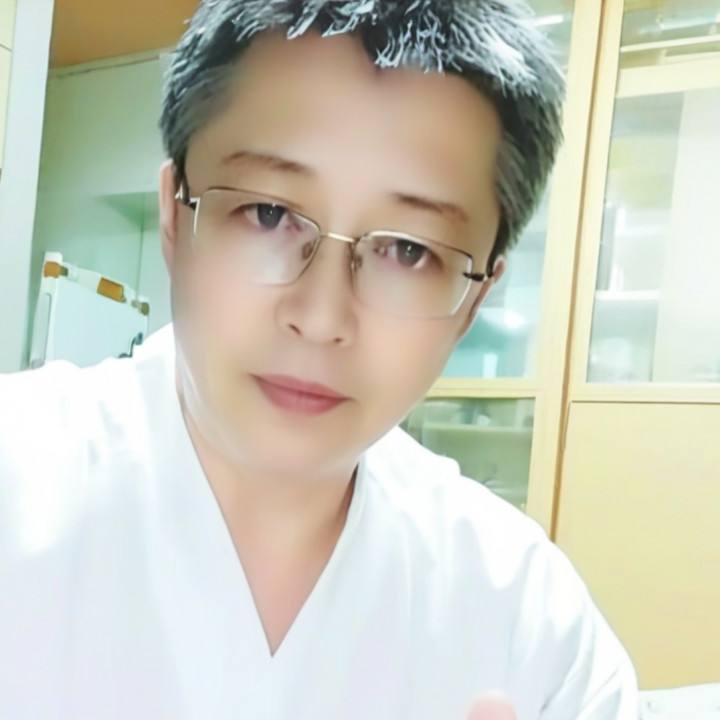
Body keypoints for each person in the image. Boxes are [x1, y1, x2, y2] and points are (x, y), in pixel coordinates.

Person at [0, 1, 638, 718]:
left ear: (475, 300)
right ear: (176, 216)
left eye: (409, 250)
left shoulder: (528, 625)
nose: (321, 317)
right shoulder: (15, 479)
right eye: (268, 213)